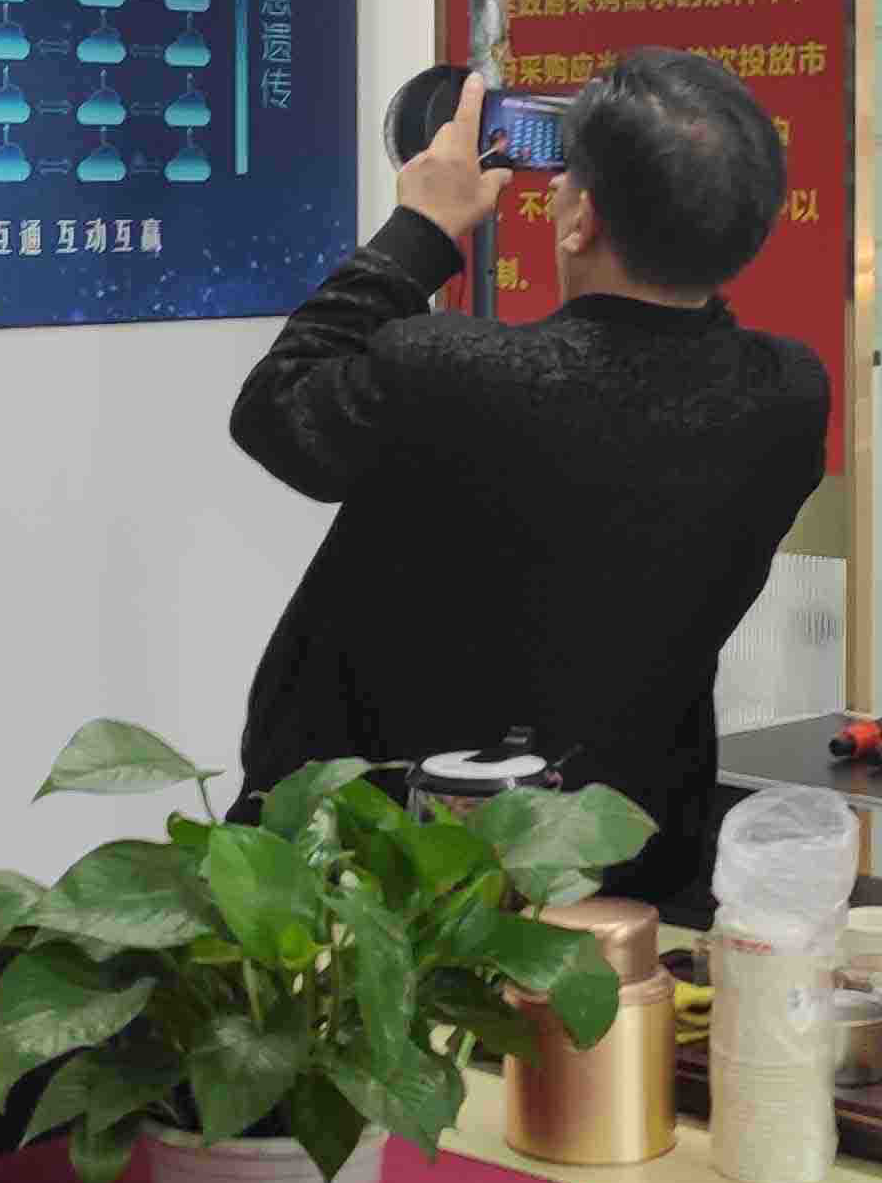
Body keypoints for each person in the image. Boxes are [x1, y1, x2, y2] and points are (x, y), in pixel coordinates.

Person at [228, 51, 828, 906]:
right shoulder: (789, 395)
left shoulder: (457, 373)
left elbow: (274, 410)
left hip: (391, 863)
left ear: (582, 218)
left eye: (568, 181)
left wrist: (420, 231)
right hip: (624, 853)